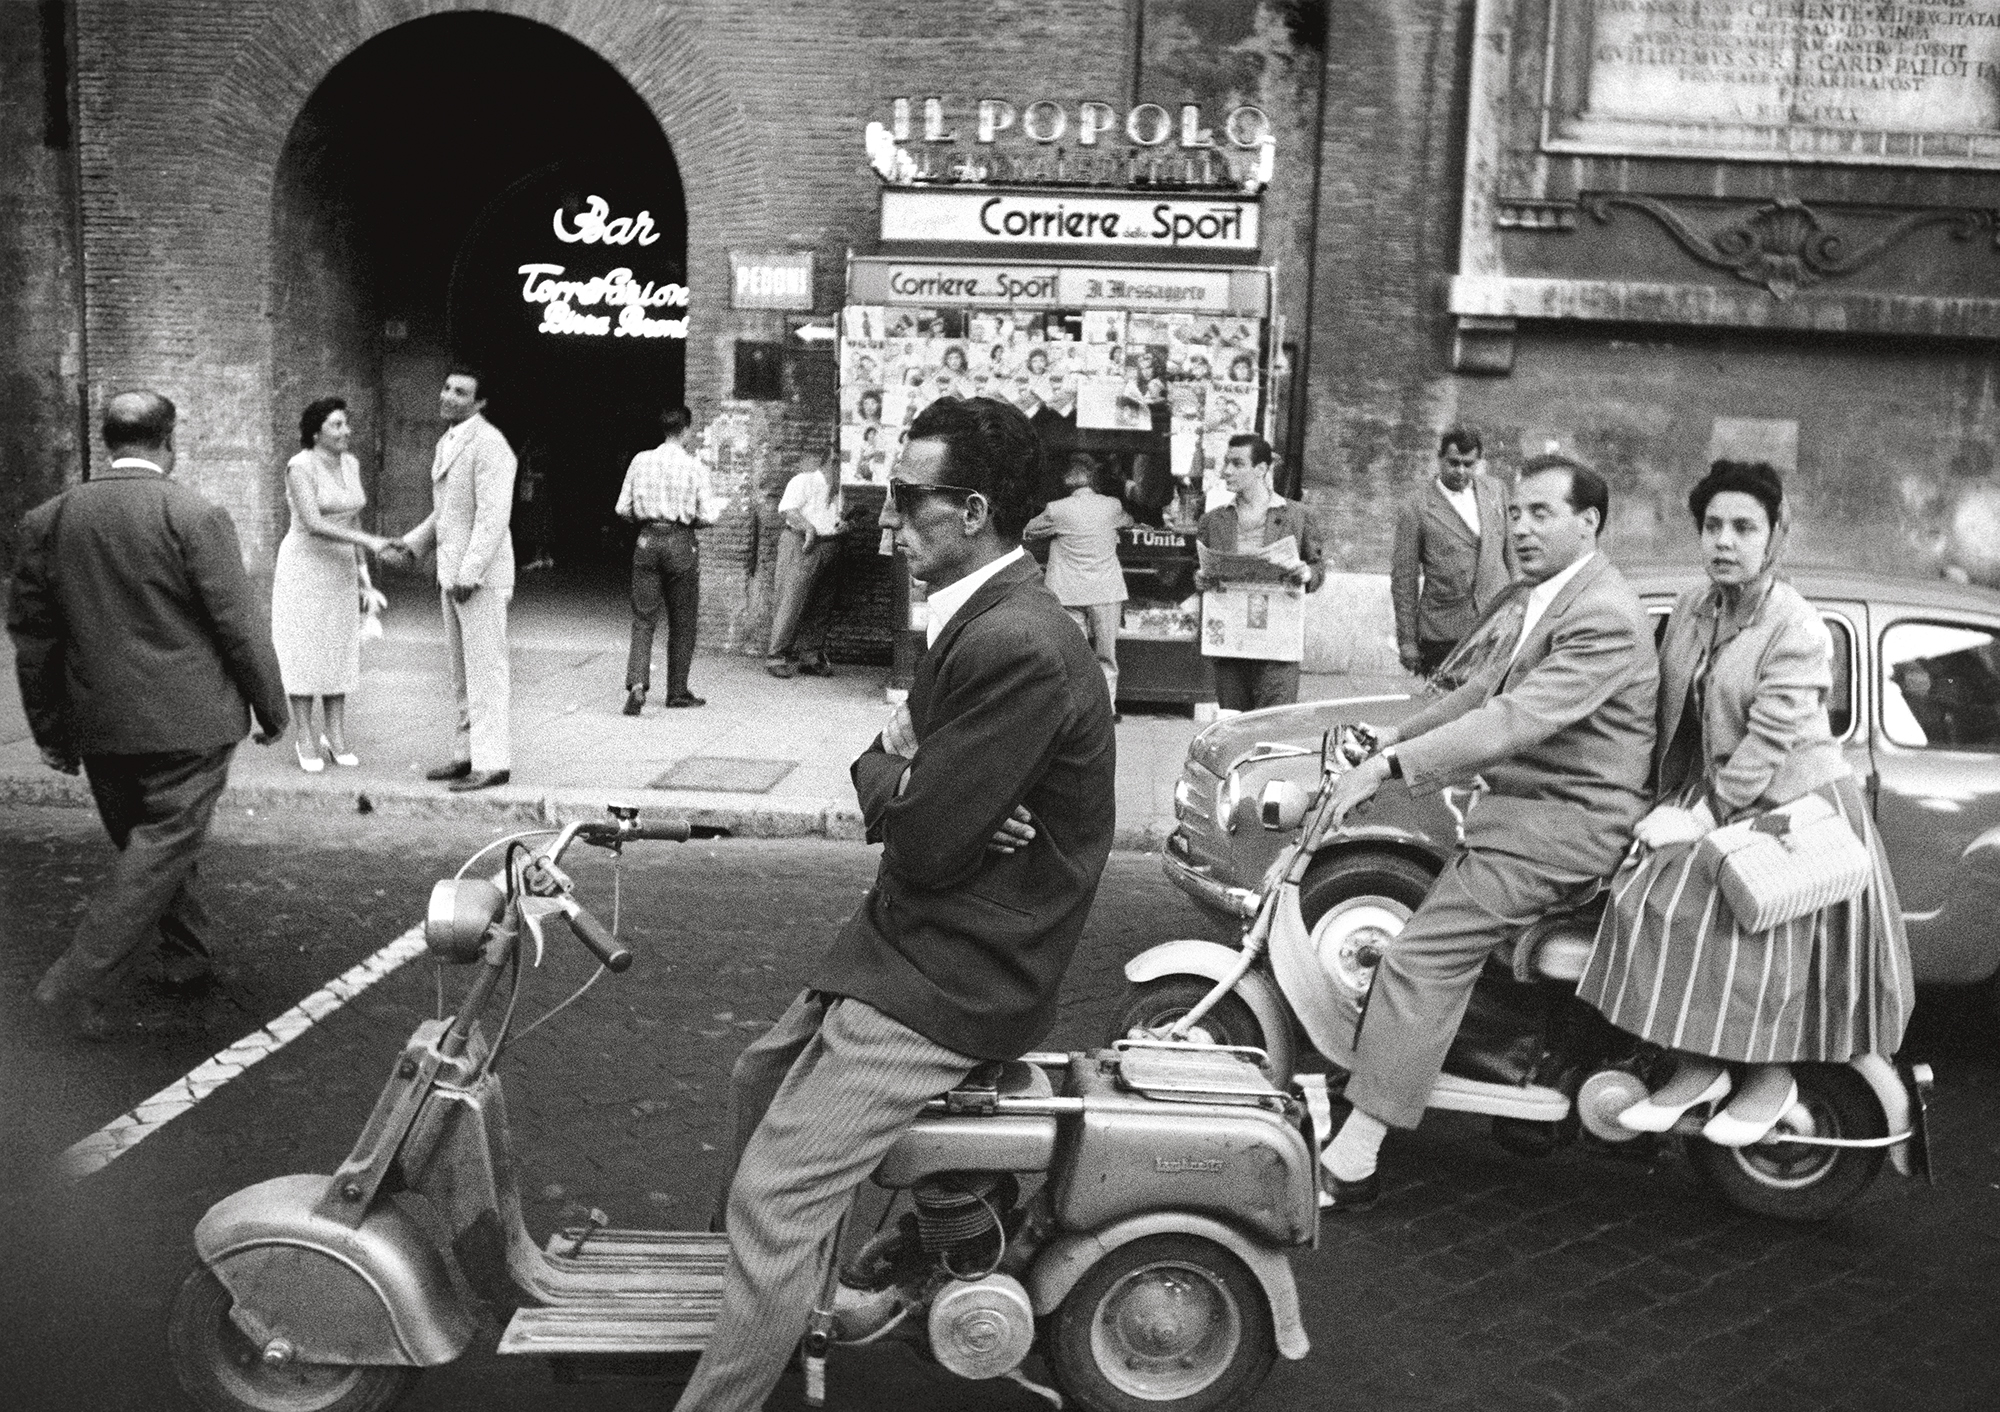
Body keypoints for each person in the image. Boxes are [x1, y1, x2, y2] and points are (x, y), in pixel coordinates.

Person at [672, 395, 1116, 1412]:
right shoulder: (975, 618)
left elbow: (916, 840)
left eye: (904, 499)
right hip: (914, 936)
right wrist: (917, 787)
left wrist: (921, 797)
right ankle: (785, 1305)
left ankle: (729, 1385)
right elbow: (880, 772)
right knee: (756, 1079)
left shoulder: (1016, 642)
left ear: (968, 509)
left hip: (957, 967)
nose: (885, 519)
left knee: (773, 1194)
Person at [1315, 455, 1658, 1209]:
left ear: (1589, 523)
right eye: (1516, 512)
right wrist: (1387, 743)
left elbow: (1513, 719)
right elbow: (1477, 689)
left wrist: (1392, 770)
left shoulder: (1603, 615)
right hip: (1527, 820)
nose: (1521, 527)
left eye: (1542, 513)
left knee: (1417, 958)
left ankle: (1356, 1158)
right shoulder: (1551, 597)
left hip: (1561, 829)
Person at [1578, 461, 1915, 1145]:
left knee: (1751, 934)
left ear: (1774, 538)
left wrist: (1699, 816)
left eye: (1743, 527)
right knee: (1645, 895)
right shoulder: (1694, 606)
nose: (1724, 541)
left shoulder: (1797, 626)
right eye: (1712, 527)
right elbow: (1666, 709)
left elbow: (1767, 743)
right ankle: (1699, 1067)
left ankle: (1768, 1076)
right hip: (1720, 789)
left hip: (1793, 806)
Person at [9, 390, 289, 1038]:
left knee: (150, 845)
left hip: (101, 724)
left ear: (107, 440)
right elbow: (239, 628)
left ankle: (187, 955)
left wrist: (51, 731)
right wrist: (272, 709)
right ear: (169, 441)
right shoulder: (195, 515)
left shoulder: (50, 519)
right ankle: (78, 977)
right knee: (160, 846)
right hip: (190, 724)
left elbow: (34, 639)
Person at [380, 368, 516, 791]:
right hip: (452, 575)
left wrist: (470, 572)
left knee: (485, 669)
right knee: (461, 671)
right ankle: (466, 754)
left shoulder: (491, 445)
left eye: (461, 393)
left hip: (479, 578)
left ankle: (493, 761)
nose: (449, 397)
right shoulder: (449, 442)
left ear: (480, 404)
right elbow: (449, 514)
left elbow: (492, 516)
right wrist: (414, 544)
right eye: (446, 388)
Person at [270, 397, 394, 772]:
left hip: (341, 565)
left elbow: (351, 518)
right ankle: (305, 736)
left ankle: (336, 735)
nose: (346, 431)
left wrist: (364, 574)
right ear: (316, 431)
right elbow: (312, 522)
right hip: (305, 566)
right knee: (305, 650)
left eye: (346, 424)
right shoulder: (299, 466)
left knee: (340, 649)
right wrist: (372, 542)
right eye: (337, 425)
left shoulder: (351, 463)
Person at [1194, 433, 1325, 711]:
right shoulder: (1212, 521)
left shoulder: (1297, 516)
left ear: (1261, 470)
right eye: (1226, 463)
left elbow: (1318, 566)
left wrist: (1307, 573)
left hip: (1277, 642)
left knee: (1272, 724)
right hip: (1231, 641)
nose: (1227, 471)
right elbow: (1201, 572)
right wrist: (1200, 579)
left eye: (1237, 464)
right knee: (1233, 721)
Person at [615, 405, 723, 713]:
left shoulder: (640, 460)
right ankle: (677, 691)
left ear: (663, 430)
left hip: (647, 539)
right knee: (683, 621)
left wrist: (645, 515)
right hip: (679, 542)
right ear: (686, 430)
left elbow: (622, 508)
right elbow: (709, 516)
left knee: (644, 618)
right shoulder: (694, 467)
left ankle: (637, 684)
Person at [1391, 426, 1516, 679]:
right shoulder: (1416, 507)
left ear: (1478, 463)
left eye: (1468, 464)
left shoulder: (1496, 491)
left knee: (1493, 706)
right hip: (1444, 631)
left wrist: (1520, 608)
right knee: (1445, 708)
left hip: (1496, 624)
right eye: (1453, 463)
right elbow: (1404, 579)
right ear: (1439, 459)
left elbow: (1512, 555)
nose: (1461, 471)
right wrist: (1407, 641)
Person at [1024, 451, 1134, 711]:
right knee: (1106, 656)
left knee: (1073, 656)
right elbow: (1128, 521)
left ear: (1068, 480)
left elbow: (1029, 529)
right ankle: (1107, 708)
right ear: (1094, 478)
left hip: (1068, 592)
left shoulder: (1057, 509)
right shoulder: (1112, 506)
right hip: (1106, 592)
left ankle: (1076, 709)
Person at [765, 451, 845, 679]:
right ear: (832, 463)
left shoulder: (839, 490)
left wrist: (843, 526)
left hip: (829, 544)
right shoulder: (804, 481)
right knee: (792, 599)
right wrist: (808, 527)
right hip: (802, 543)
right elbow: (788, 509)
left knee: (822, 603)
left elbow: (834, 518)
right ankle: (777, 656)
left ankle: (810, 657)